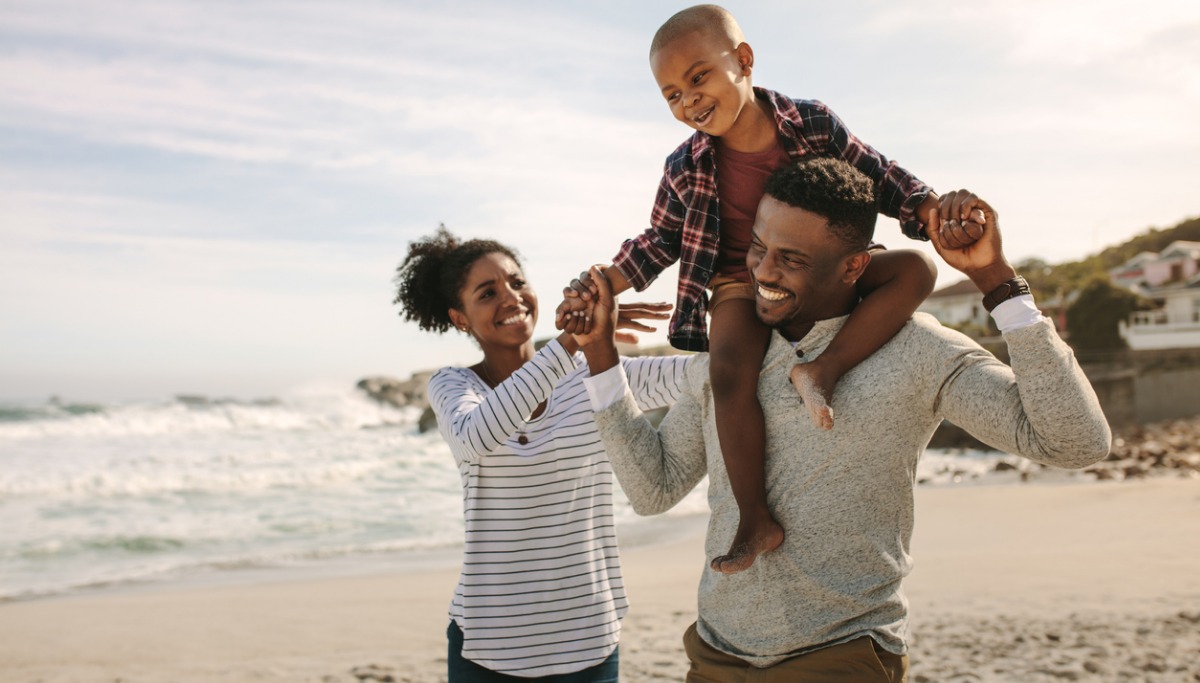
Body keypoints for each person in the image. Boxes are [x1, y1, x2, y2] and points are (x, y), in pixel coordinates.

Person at [574, 157, 1112, 681]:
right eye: (758, 247)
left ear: (854, 266)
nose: (763, 271)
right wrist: (601, 355)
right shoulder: (729, 358)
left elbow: (1075, 441)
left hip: (842, 656)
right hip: (717, 656)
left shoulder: (916, 350)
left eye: (792, 259)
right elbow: (654, 490)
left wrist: (995, 279)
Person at [557, 4, 982, 575]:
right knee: (728, 370)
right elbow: (661, 239)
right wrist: (604, 282)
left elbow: (880, 174)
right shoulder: (684, 165)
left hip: (820, 270)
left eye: (699, 77)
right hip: (740, 280)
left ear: (743, 60)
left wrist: (932, 211)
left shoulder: (811, 123)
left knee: (916, 271)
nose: (689, 101)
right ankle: (755, 519)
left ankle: (823, 369)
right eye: (672, 95)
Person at [392, 227, 691, 682]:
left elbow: (704, 376)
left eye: (517, 282)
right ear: (460, 318)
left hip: (589, 640)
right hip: (489, 647)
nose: (511, 298)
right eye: (488, 293)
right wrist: (571, 340)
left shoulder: (596, 372)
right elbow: (477, 436)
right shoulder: (453, 385)